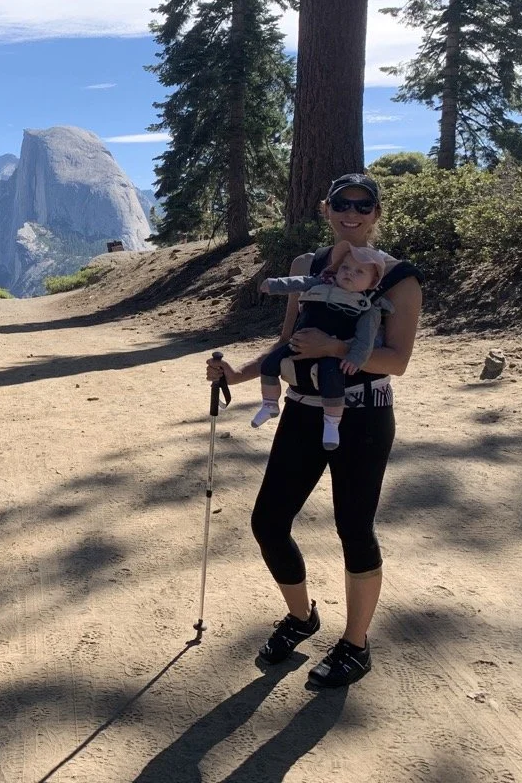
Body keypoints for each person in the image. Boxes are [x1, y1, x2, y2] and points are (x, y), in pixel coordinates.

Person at [206, 173, 422, 689]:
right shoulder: (305, 267)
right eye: (343, 204)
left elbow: (396, 361)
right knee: (268, 522)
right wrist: (236, 373)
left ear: (377, 212)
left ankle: (355, 644)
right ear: (325, 209)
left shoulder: (397, 277)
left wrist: (334, 350)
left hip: (364, 414)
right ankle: (302, 617)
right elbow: (289, 340)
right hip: (303, 408)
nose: (353, 213)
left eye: (363, 205)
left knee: (354, 529)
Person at [253, 241, 394, 451]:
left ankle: (331, 423)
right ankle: (270, 404)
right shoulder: (321, 283)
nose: (349, 273)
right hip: (298, 342)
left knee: (331, 378)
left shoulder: (368, 307)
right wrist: (274, 285)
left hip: (332, 354)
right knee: (269, 364)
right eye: (345, 268)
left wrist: (355, 358)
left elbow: (365, 340)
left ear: (373, 281)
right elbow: (298, 282)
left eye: (359, 272)